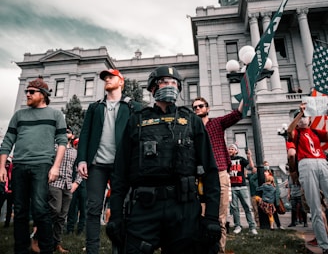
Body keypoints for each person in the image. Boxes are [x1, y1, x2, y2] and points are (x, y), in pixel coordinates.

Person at [106, 65, 221, 254]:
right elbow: (120, 172)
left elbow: (210, 170)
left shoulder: (192, 120)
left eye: (174, 83)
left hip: (183, 208)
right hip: (144, 207)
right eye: (164, 82)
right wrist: (116, 215)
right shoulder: (137, 121)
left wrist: (211, 217)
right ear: (152, 88)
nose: (170, 86)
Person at [77, 68, 142, 254]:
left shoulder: (132, 107)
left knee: (119, 208)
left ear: (121, 82)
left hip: (121, 167)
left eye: (110, 77)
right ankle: (92, 250)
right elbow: (85, 134)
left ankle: (119, 249)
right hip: (96, 165)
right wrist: (82, 159)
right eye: (105, 78)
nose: (106, 79)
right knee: (93, 208)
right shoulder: (95, 107)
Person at [0, 76, 67, 254]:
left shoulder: (56, 115)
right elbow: (7, 141)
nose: (27, 95)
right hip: (20, 166)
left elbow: (62, 142)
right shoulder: (19, 115)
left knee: (40, 208)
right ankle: (21, 249)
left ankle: (46, 249)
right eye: (26, 91)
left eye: (31, 92)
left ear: (43, 94)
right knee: (20, 210)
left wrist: (56, 167)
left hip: (42, 165)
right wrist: (1, 167)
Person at [191, 97, 243, 254]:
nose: (197, 109)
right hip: (199, 177)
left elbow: (237, 114)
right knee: (199, 216)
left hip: (219, 173)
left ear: (208, 108)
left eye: (201, 106)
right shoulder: (192, 129)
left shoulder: (217, 123)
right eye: (195, 107)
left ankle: (219, 250)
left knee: (219, 217)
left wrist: (248, 91)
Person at [287, 102, 328, 253]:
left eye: (306, 117)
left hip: (322, 162)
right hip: (305, 163)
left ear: (310, 120)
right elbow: (289, 130)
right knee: (315, 207)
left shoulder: (315, 132)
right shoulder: (295, 133)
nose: (304, 119)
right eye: (300, 117)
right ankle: (325, 245)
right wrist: (299, 114)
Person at [49, 126, 82, 253]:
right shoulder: (55, 148)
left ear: (72, 136)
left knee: (62, 216)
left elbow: (80, 168)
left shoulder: (75, 152)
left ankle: (56, 243)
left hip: (68, 187)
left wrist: (76, 183)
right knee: (54, 211)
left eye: (68, 131)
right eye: (64, 131)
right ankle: (39, 238)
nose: (66, 132)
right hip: (55, 184)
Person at [228, 143, 258, 235]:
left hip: (242, 187)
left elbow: (251, 167)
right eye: (229, 149)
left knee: (247, 207)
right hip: (232, 188)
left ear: (236, 151)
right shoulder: (226, 160)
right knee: (234, 208)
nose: (230, 150)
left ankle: (252, 227)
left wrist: (249, 157)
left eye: (232, 149)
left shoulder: (241, 159)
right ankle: (237, 226)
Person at [66, 138, 87, 236]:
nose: (79, 146)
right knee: (71, 208)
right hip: (73, 184)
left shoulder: (85, 157)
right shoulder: (73, 156)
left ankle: (81, 229)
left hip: (84, 185)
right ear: (75, 145)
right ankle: (70, 229)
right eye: (77, 144)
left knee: (83, 208)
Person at [263, 161, 285, 230]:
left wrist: (278, 194)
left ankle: (278, 225)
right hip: (267, 195)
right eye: (265, 165)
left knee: (274, 211)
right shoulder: (262, 174)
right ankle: (269, 225)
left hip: (273, 195)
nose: (266, 166)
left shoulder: (271, 173)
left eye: (267, 165)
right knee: (268, 211)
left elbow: (276, 185)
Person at [0, 154, 13, 228]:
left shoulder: (11, 166)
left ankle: (7, 224)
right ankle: (6, 224)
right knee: (8, 207)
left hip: (9, 189)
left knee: (9, 207)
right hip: (4, 189)